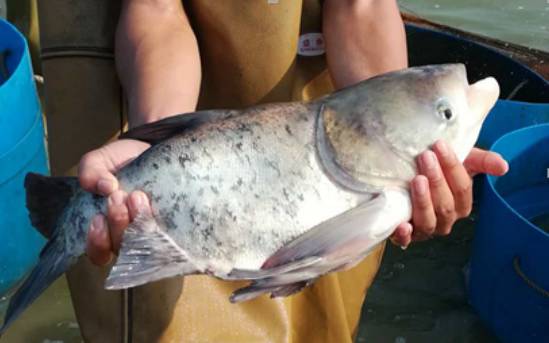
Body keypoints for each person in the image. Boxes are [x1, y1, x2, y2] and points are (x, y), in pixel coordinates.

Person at [72, 0, 508, 341]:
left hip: (316, 126)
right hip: (177, 90)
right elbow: (156, 10)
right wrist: (159, 150)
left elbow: (360, 6)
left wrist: (401, 141)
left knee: (318, 318)